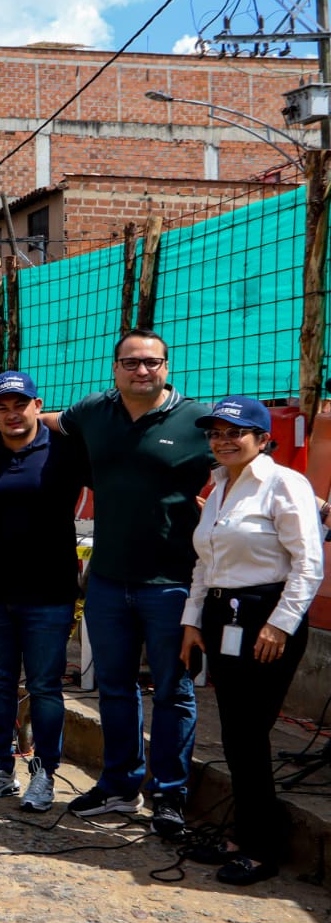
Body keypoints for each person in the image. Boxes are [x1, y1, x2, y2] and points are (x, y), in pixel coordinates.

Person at [54, 330, 210, 835]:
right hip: (108, 580)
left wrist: (315, 506)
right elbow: (50, 422)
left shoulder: (199, 422)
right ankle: (120, 785)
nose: (141, 371)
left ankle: (168, 795)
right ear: (114, 367)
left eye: (151, 363)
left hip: (173, 584)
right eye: (131, 363)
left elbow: (248, 465)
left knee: (174, 692)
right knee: (116, 689)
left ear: (167, 366)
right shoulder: (93, 413)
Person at [178, 397, 322, 884]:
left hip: (265, 616)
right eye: (215, 433)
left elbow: (307, 561)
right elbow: (205, 563)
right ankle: (241, 836)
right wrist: (193, 621)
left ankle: (261, 849)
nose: (223, 441)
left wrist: (280, 624)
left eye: (235, 433)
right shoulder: (218, 486)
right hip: (223, 616)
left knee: (249, 735)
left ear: (263, 439)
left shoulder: (285, 484)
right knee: (237, 734)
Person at [0, 372, 86, 813]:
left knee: (45, 687)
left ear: (38, 406)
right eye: (2, 407)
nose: (12, 414)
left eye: (21, 404)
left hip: (50, 593)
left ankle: (45, 773)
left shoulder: (66, 452)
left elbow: (119, 483)